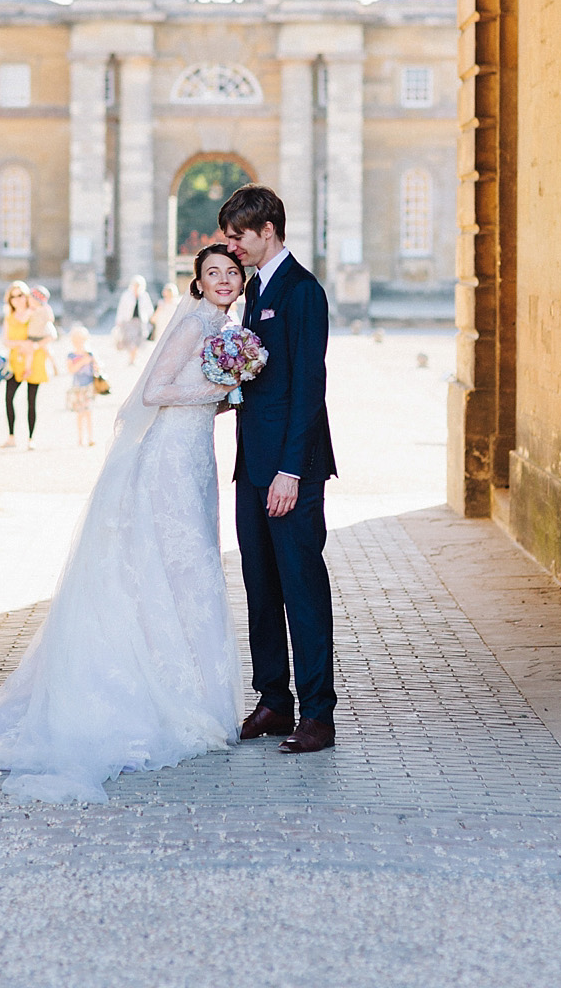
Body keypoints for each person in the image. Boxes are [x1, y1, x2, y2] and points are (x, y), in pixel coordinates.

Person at [0, 243, 247, 803]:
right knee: (173, 563)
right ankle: (168, 696)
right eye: (212, 274)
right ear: (196, 282)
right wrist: (219, 389)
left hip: (194, 456)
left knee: (190, 568)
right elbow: (154, 391)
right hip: (168, 462)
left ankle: (193, 691)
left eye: (232, 272)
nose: (224, 280)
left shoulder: (226, 325)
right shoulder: (197, 321)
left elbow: (189, 395)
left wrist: (223, 398)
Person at [218, 183, 338, 755]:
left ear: (268, 230)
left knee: (302, 589)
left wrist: (291, 470)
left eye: (239, 237)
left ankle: (317, 714)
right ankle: (273, 700)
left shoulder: (303, 291)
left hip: (293, 470)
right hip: (252, 467)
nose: (233, 248)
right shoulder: (254, 290)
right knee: (260, 587)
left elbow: (309, 388)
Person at [1, 281, 52, 450]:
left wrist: (35, 346)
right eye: (13, 296)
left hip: (34, 360)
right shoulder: (9, 317)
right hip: (16, 362)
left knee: (31, 401)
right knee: (9, 398)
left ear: (26, 296)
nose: (17, 299)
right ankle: (11, 436)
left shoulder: (36, 313)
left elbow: (51, 334)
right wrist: (21, 344)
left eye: (20, 295)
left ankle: (31, 438)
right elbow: (5, 341)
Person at [66, 324, 98, 448]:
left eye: (81, 340)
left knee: (89, 412)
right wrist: (82, 362)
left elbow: (97, 368)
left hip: (89, 386)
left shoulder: (90, 354)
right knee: (80, 413)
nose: (79, 343)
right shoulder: (71, 355)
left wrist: (94, 364)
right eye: (76, 340)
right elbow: (70, 369)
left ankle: (90, 437)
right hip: (78, 387)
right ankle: (80, 438)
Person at [114, 274, 153, 365]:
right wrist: (119, 320)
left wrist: (148, 318)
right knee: (130, 340)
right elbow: (121, 308)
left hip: (140, 322)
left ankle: (133, 358)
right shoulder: (126, 295)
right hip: (128, 321)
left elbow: (149, 309)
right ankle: (131, 358)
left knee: (137, 341)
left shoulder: (144, 296)